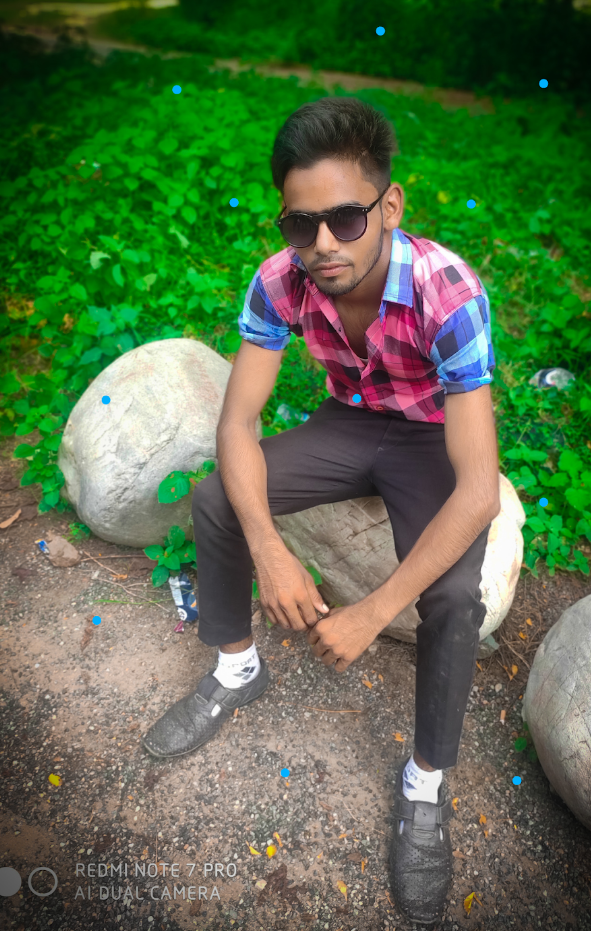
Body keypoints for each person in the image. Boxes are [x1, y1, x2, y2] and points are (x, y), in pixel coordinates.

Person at [143, 95, 501, 925]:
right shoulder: (281, 278)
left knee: (453, 594)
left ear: (390, 205)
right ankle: (238, 668)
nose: (324, 244)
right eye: (302, 224)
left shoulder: (447, 290)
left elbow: (479, 488)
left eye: (345, 217)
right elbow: (237, 425)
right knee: (219, 496)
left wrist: (373, 610)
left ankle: (426, 782)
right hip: (349, 422)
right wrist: (270, 548)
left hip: (429, 437)